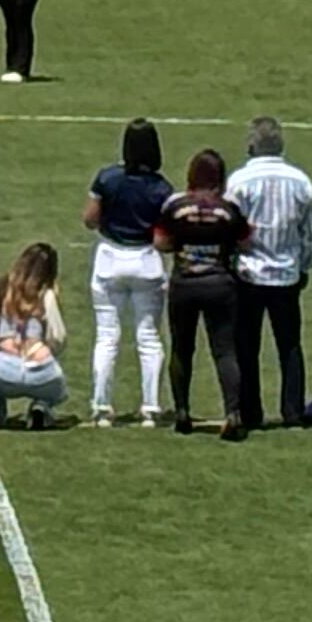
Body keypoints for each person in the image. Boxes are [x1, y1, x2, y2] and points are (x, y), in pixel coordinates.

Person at [157, 147, 259, 437]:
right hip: (220, 284)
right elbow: (247, 241)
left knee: (182, 348)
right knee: (225, 350)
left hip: (184, 284)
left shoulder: (176, 207)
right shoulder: (227, 210)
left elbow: (160, 242)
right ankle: (233, 413)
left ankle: (182, 411)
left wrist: (184, 247)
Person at [225, 116, 312, 425]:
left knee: (247, 346)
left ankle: (251, 412)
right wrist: (304, 267)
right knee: (290, 344)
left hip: (249, 275)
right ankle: (293, 410)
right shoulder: (300, 181)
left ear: (252, 145)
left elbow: (230, 229)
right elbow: (310, 233)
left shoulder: (239, 182)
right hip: (287, 275)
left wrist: (232, 263)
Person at [82, 117, 173, 426]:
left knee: (107, 336)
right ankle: (150, 407)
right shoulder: (162, 188)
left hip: (110, 258)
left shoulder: (108, 178)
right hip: (146, 260)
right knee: (148, 337)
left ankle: (102, 406)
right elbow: (164, 237)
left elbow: (90, 219)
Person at [0, 243, 68, 428]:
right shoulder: (48, 294)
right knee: (60, 391)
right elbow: (58, 337)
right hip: (42, 371)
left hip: (3, 371)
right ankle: (41, 405)